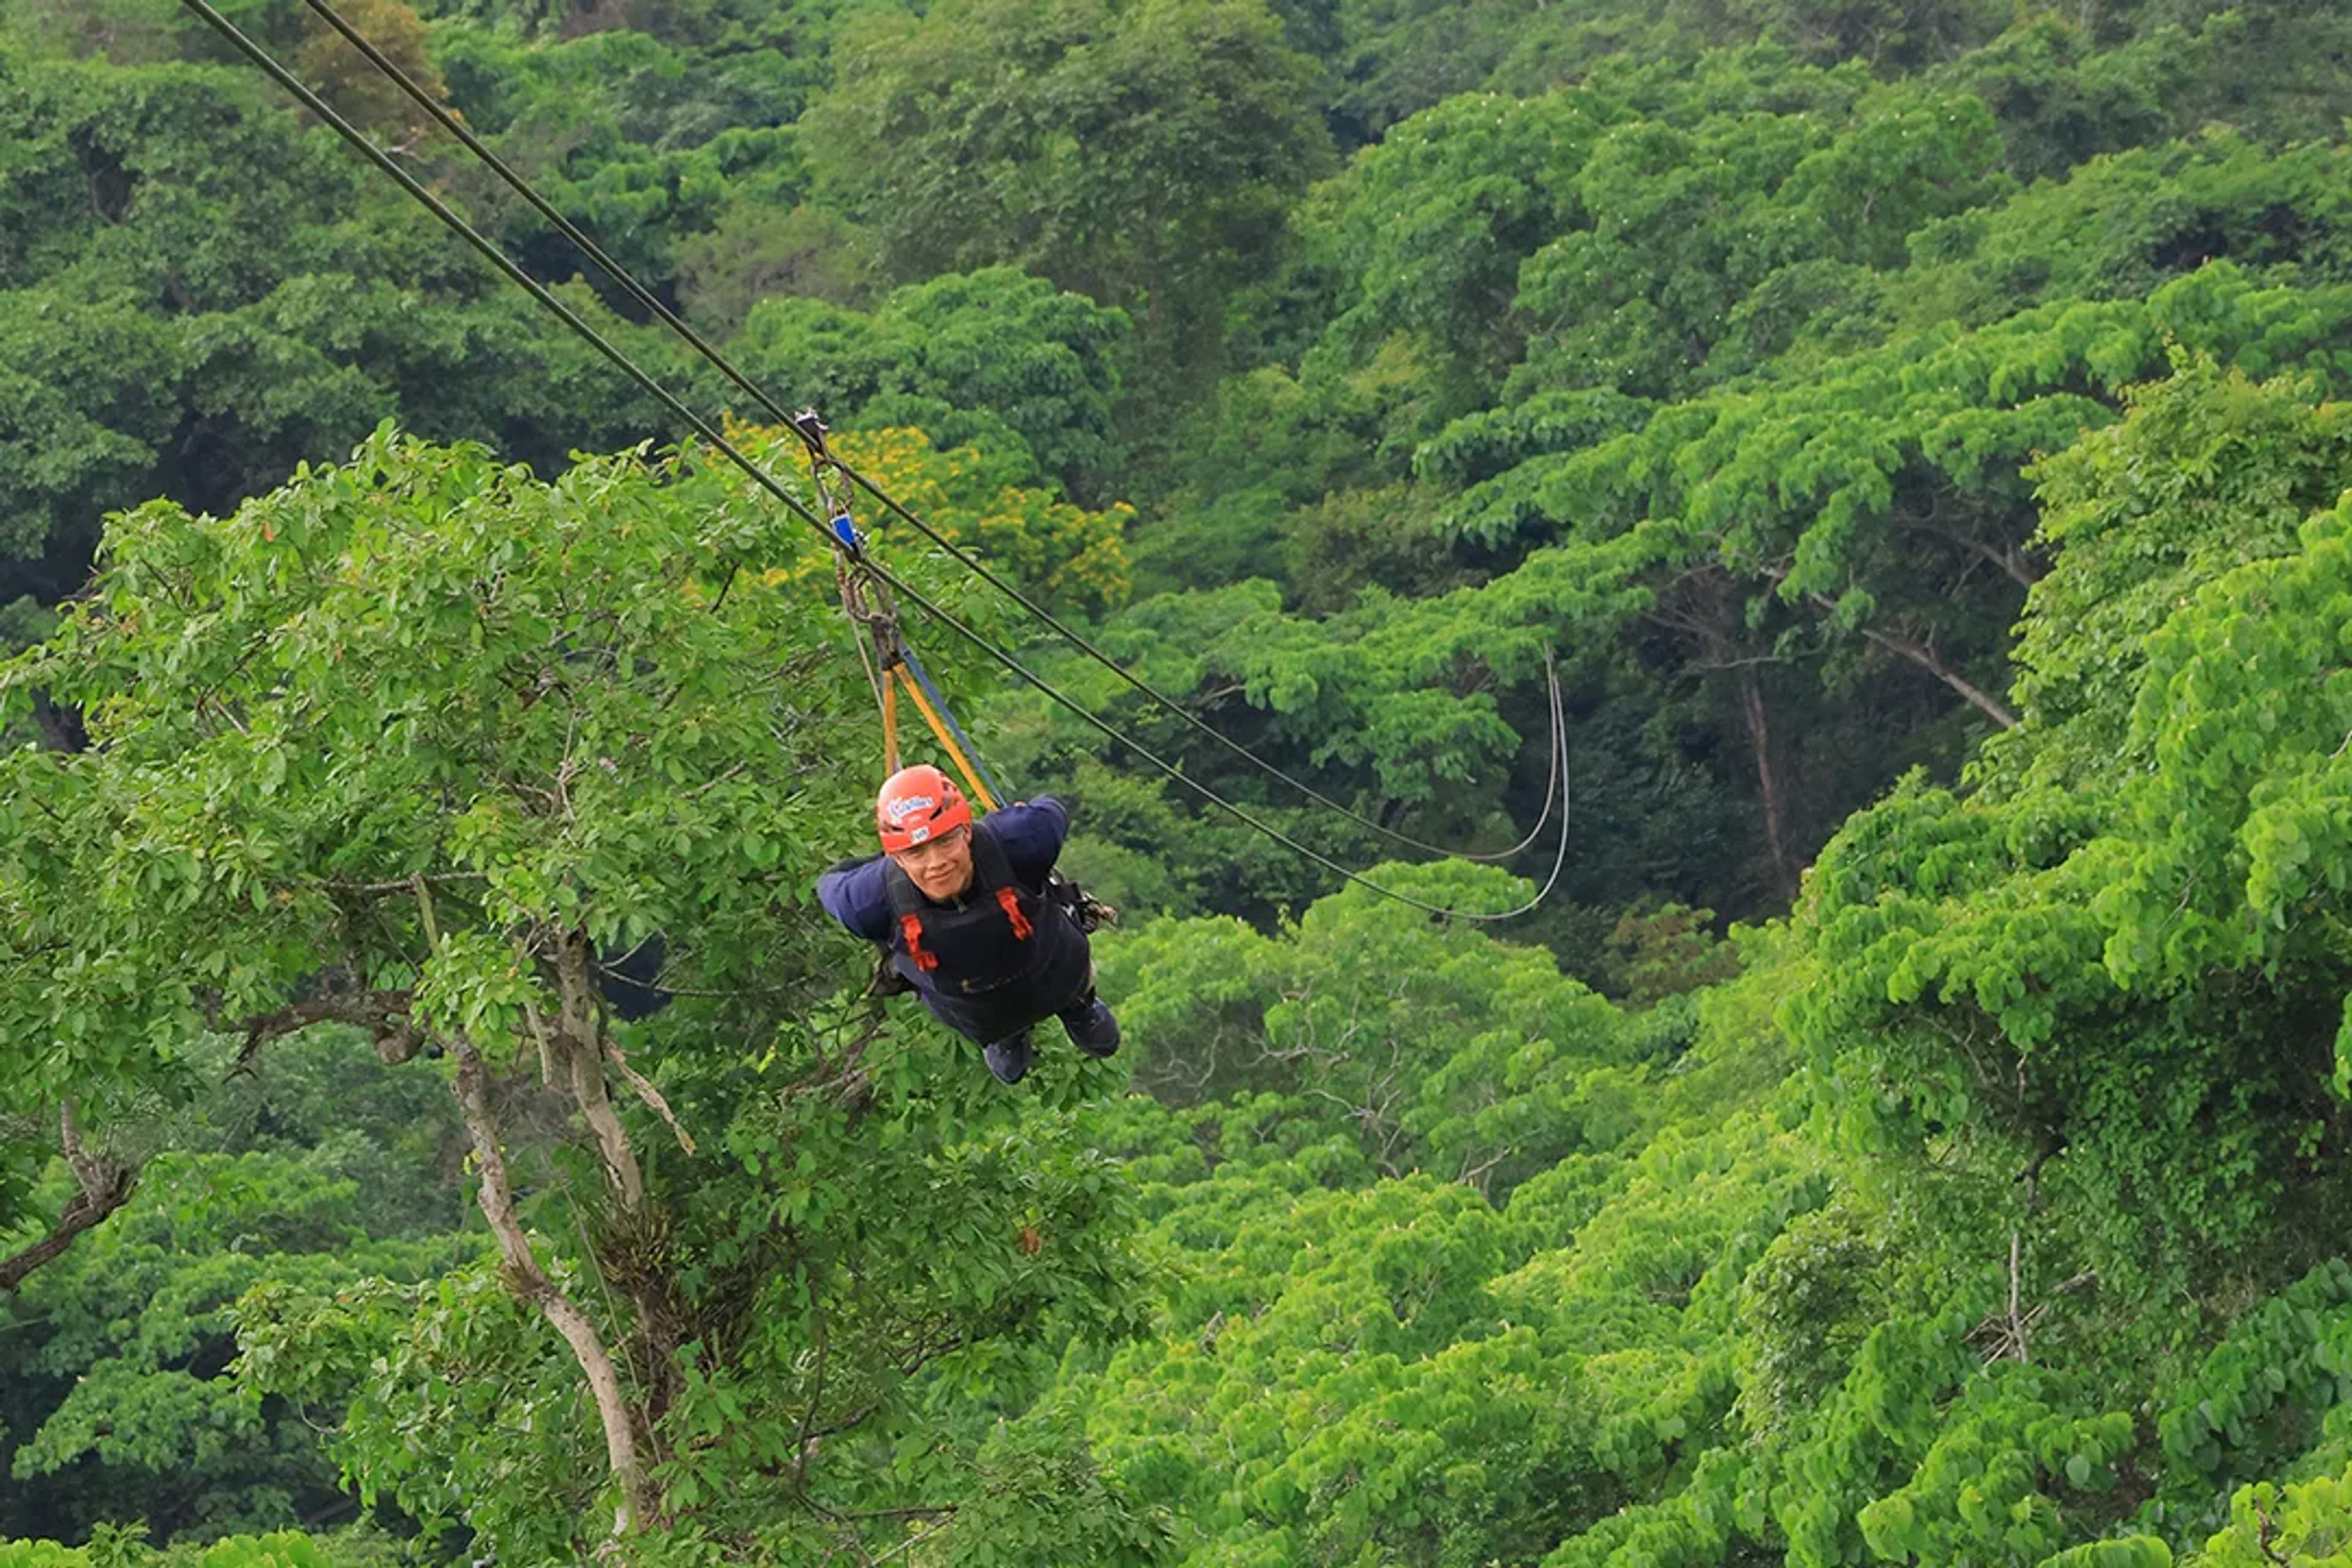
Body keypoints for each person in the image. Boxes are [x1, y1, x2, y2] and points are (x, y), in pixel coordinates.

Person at [816, 764, 1120, 1084]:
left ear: (967, 831)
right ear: (896, 859)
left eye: (946, 841)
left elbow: (1052, 811)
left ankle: (1078, 1006)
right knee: (988, 1015)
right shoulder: (868, 902)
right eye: (916, 852)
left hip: (1056, 969)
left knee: (1066, 981)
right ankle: (1006, 1035)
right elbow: (828, 885)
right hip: (976, 1010)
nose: (937, 864)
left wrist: (1008, 824)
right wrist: (881, 866)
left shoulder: (1021, 842)